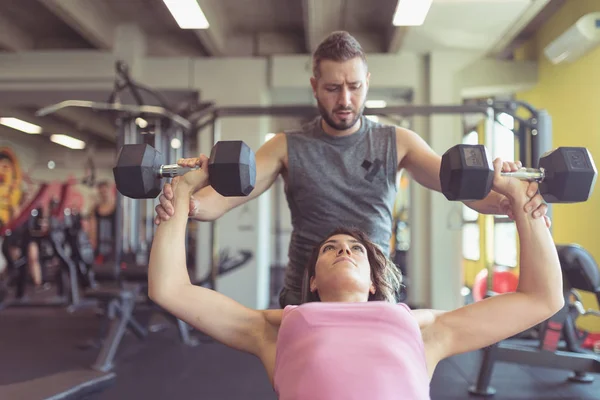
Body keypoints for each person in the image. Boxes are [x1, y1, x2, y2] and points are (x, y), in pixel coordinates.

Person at [154, 31, 551, 307]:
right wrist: (186, 201)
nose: (345, 99)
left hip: (375, 289)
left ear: (367, 83)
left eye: (355, 86)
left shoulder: (398, 141)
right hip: (305, 293)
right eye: (332, 88)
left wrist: (506, 199)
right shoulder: (285, 146)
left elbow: (458, 185)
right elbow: (226, 195)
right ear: (314, 86)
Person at [148, 155, 564, 399]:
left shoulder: (422, 329)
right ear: (311, 281)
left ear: (373, 282)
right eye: (329, 249)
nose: (343, 249)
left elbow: (540, 300)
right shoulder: (277, 329)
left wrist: (522, 202)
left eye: (356, 250)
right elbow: (170, 289)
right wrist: (180, 197)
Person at [88, 181, 116, 262]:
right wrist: (92, 241)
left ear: (110, 191)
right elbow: (92, 228)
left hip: (114, 245)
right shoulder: (95, 209)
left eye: (105, 191)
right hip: (99, 247)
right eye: (101, 192)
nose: (103, 194)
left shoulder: (117, 208)